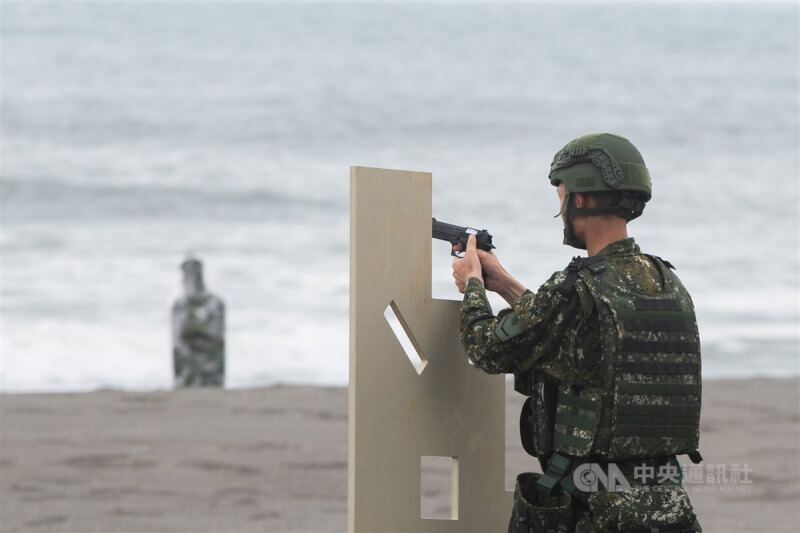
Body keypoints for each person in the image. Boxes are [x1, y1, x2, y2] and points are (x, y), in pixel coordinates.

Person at [451, 133, 703, 533]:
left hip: (593, 509)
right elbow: (573, 335)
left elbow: (487, 348)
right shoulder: (667, 282)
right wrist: (502, 282)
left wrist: (472, 287)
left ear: (580, 199)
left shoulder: (577, 287)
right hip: (666, 504)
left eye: (561, 196)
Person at [171, 256, 226, 387]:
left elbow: (217, 335)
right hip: (188, 363)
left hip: (210, 363)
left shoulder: (214, 303)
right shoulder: (180, 305)